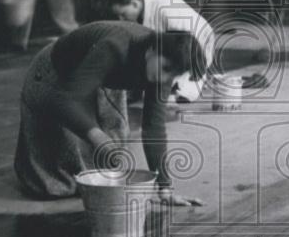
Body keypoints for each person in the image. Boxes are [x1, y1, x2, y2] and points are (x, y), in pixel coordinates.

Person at [13, 21, 204, 206]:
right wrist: (98, 137)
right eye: (165, 69)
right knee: (55, 180)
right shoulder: (114, 46)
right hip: (55, 71)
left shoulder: (164, 65)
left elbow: (153, 127)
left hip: (97, 77)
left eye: (172, 75)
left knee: (107, 159)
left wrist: (165, 189)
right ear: (152, 50)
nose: (165, 79)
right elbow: (64, 100)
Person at [97, 0, 216, 101]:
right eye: (117, 17)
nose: (121, 20)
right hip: (170, 51)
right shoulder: (137, 6)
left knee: (176, 95)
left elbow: (190, 46)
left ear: (134, 4)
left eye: (123, 14)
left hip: (199, 42)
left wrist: (197, 70)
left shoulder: (167, 11)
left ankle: (194, 82)